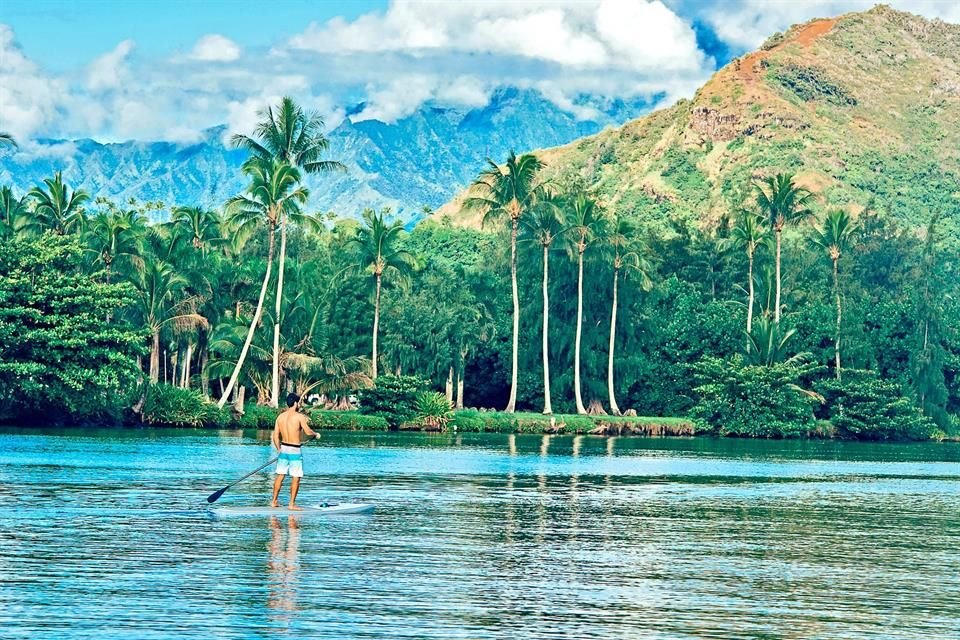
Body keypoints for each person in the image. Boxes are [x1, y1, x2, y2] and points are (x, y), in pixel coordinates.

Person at [271, 393, 319, 509]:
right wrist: (315, 434)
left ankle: (274, 501)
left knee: (280, 475)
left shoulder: (280, 417)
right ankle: (292, 504)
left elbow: (275, 436)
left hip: (283, 449)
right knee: (296, 477)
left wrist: (278, 449)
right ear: (296, 403)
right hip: (294, 451)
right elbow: (308, 432)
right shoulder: (299, 417)